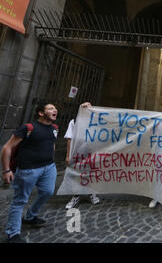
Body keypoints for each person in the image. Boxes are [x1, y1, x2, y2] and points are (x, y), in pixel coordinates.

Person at [1, 103, 59, 243]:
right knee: (20, 201)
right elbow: (7, 148)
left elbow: (52, 143)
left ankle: (30, 217)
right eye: (50, 108)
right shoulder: (28, 128)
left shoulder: (55, 128)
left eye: (55, 108)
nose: (55, 110)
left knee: (47, 192)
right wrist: (6, 170)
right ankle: (12, 234)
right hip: (28, 170)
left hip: (49, 167)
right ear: (40, 113)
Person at [65, 102, 100, 209]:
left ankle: (90, 193)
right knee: (77, 174)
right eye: (84, 107)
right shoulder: (74, 121)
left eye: (89, 107)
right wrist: (68, 155)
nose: (86, 109)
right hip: (77, 153)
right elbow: (69, 139)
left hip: (91, 152)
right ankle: (76, 195)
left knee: (90, 173)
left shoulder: (95, 121)